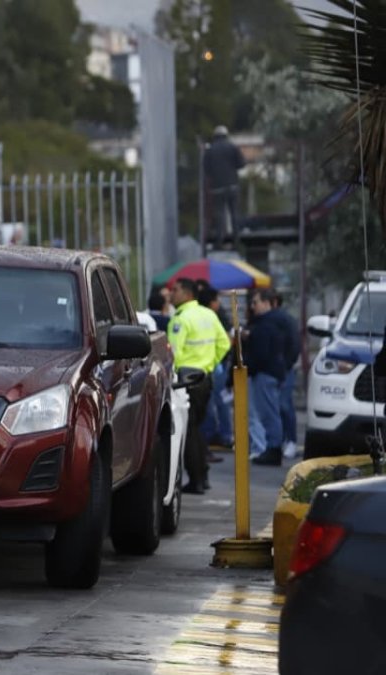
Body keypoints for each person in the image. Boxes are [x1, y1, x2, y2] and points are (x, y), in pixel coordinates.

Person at [168, 278, 230, 494]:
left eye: (175, 290)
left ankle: (196, 480)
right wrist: (209, 365)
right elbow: (224, 343)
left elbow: (173, 353)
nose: (171, 294)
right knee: (197, 428)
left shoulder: (181, 319)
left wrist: (173, 375)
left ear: (187, 294)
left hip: (185, 381)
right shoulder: (208, 314)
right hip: (205, 378)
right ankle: (202, 476)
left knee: (188, 431)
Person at [248, 289, 291, 466]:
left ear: (266, 303)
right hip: (271, 371)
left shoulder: (267, 324)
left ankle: (273, 449)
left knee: (269, 413)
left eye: (255, 302)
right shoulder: (273, 321)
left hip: (266, 373)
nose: (253, 306)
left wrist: (250, 367)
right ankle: (272, 448)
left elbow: (261, 353)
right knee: (270, 412)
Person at [197, 284, 234, 457]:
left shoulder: (200, 316)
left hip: (206, 367)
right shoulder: (217, 316)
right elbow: (227, 342)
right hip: (216, 366)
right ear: (212, 302)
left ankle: (217, 436)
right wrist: (216, 361)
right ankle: (221, 436)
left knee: (213, 403)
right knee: (218, 402)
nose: (219, 303)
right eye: (217, 300)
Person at [203, 125, 246, 247]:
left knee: (219, 214)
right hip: (232, 185)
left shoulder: (210, 150)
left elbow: (206, 169)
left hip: (217, 188)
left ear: (215, 136)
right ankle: (236, 239)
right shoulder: (233, 147)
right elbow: (242, 164)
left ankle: (219, 240)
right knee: (234, 213)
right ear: (226, 135)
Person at [272, 293, 301, 458]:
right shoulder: (272, 319)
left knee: (284, 404)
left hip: (286, 368)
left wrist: (287, 364)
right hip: (276, 368)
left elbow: (294, 344)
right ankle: (284, 439)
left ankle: (291, 440)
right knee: (277, 405)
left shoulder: (285, 320)